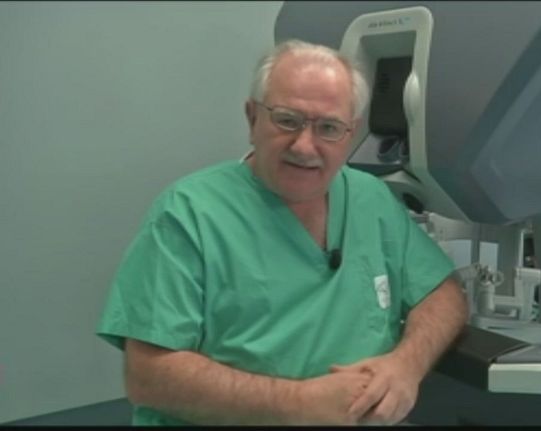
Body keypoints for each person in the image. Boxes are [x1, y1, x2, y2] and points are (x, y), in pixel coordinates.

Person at [97, 39, 468, 426]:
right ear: (252, 118)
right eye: (288, 120)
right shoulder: (189, 214)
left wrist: (406, 365)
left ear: (350, 133)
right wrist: (299, 403)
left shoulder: (370, 199)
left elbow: (442, 292)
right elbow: (149, 377)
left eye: (328, 128)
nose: (305, 146)